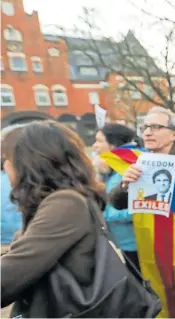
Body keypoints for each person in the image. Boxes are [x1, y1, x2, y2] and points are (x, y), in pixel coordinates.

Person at [1, 121, 106, 317]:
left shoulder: (65, 203)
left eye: (6, 158)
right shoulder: (63, 199)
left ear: (27, 163)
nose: (4, 166)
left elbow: (16, 269)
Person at [92, 123, 141, 269]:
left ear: (113, 144)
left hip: (136, 244)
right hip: (122, 243)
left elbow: (141, 207)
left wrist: (103, 215)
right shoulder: (110, 167)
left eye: (99, 141)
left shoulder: (132, 165)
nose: (94, 146)